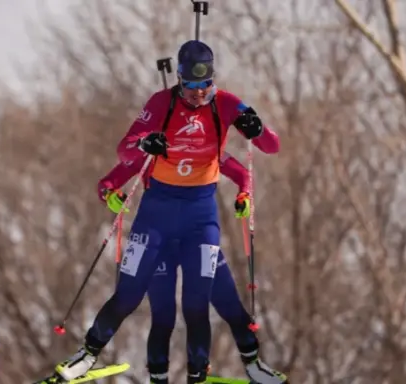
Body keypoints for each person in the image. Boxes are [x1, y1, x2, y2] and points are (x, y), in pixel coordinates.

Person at [51, 39, 280, 384]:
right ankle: (87, 355)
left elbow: (271, 146)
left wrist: (257, 128)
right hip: (156, 215)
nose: (199, 94)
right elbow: (124, 151)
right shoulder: (162, 103)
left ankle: (203, 374)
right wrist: (144, 142)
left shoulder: (227, 104)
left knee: (197, 304)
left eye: (205, 86)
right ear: (180, 80)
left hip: (200, 217)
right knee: (128, 294)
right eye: (190, 87)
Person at [99, 152, 288, 384]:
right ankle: (159, 377)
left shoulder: (206, 147)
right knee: (163, 315)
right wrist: (110, 194)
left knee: (226, 305)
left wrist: (244, 195)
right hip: (161, 243)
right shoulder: (154, 148)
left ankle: (249, 366)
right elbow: (108, 182)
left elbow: (242, 174)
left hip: (197, 238)